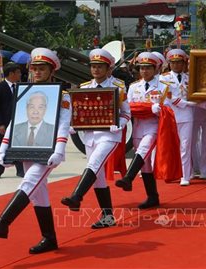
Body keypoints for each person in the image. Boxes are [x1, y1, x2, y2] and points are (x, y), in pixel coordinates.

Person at [0, 48, 71, 254]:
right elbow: (15, 122)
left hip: (48, 151)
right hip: (26, 147)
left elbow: (64, 124)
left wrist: (59, 149)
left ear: (52, 70)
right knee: (39, 195)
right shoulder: (25, 91)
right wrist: (4, 148)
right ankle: (49, 239)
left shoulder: (62, 95)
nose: (37, 72)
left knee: (29, 182)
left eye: (42, 68)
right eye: (35, 68)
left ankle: (3, 222)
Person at [61, 48, 131, 228]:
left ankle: (76, 196)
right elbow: (77, 112)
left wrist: (121, 124)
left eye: (100, 66)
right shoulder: (84, 88)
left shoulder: (118, 86)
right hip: (90, 136)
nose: (96, 70)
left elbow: (126, 113)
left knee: (93, 164)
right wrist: (73, 125)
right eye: (93, 66)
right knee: (98, 177)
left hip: (110, 135)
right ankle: (108, 217)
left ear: (109, 69)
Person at [115, 52, 171, 208]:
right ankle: (153, 197)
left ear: (155, 69)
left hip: (153, 126)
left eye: (148, 68)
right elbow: (129, 108)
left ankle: (128, 178)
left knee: (143, 151)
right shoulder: (134, 87)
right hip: (138, 127)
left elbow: (167, 109)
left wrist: (157, 110)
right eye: (142, 68)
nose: (144, 71)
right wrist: (148, 108)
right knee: (145, 164)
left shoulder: (163, 87)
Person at [160, 49, 195, 186]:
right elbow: (166, 96)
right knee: (171, 146)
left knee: (186, 146)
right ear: (169, 63)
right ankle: (171, 172)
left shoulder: (189, 77)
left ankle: (185, 175)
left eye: (179, 62)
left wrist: (192, 103)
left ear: (183, 63)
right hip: (171, 115)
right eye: (173, 62)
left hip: (187, 115)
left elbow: (195, 95)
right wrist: (184, 103)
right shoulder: (164, 77)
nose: (176, 65)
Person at [0, 62, 24, 180]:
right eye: (18, 72)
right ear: (11, 73)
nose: (20, 74)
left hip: (18, 123)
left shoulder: (21, 87)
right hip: (3, 123)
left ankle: (20, 169)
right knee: (0, 147)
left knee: (18, 146)